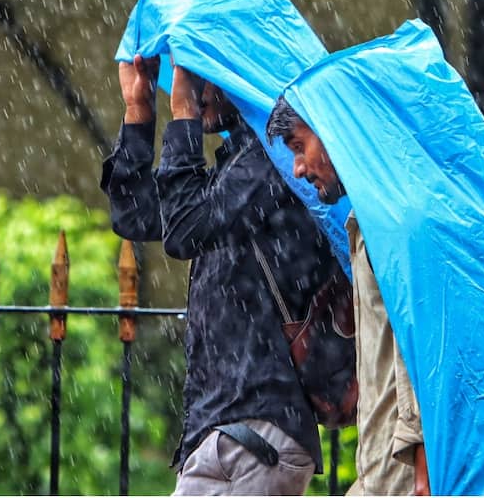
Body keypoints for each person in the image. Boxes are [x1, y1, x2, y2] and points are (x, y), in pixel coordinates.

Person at [101, 55, 339, 495]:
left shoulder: (273, 165)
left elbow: (186, 231)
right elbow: (139, 216)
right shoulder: (236, 167)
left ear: (234, 69)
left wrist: (185, 115)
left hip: (252, 432)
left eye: (197, 69)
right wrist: (139, 112)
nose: (184, 83)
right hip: (229, 434)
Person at [265, 100, 429, 496]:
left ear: (336, 130)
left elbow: (417, 347)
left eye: (300, 146)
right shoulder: (368, 220)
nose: (298, 169)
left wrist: (422, 469)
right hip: (382, 469)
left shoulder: (390, 224)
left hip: (402, 477)